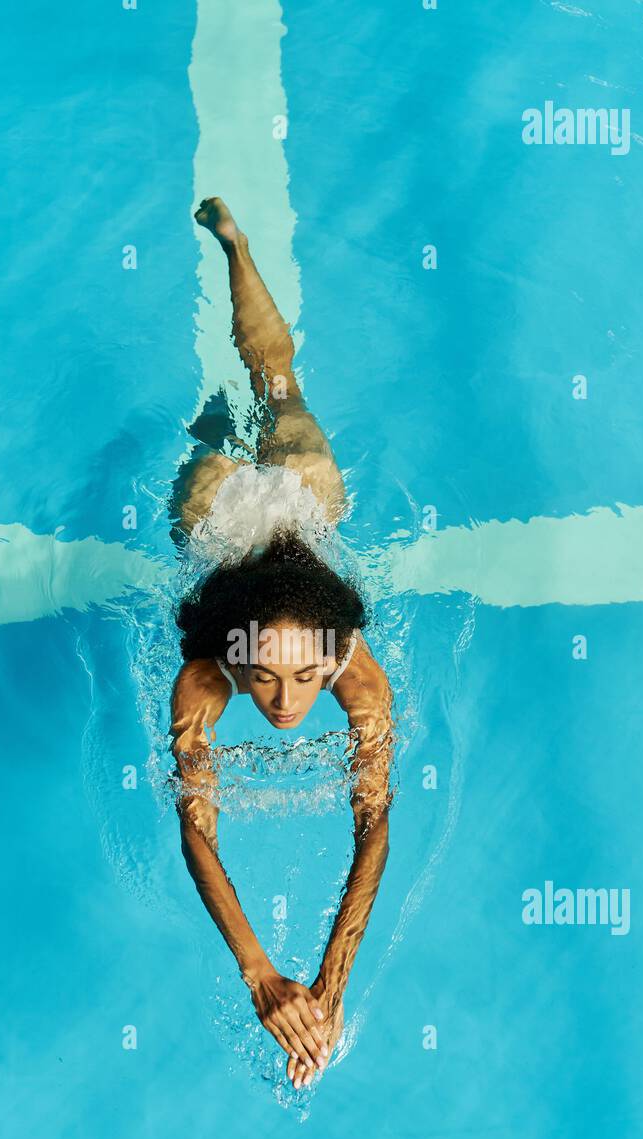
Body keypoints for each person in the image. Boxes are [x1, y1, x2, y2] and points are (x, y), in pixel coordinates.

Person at [169, 197, 395, 1090]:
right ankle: (218, 422)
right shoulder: (202, 676)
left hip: (301, 501)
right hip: (221, 520)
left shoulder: (358, 677)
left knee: (279, 385)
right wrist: (261, 973)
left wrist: (330, 984)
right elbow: (196, 830)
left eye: (307, 676)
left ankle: (237, 245)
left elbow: (375, 823)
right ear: (233, 653)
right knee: (221, 432)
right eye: (263, 678)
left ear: (334, 653)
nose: (290, 703)